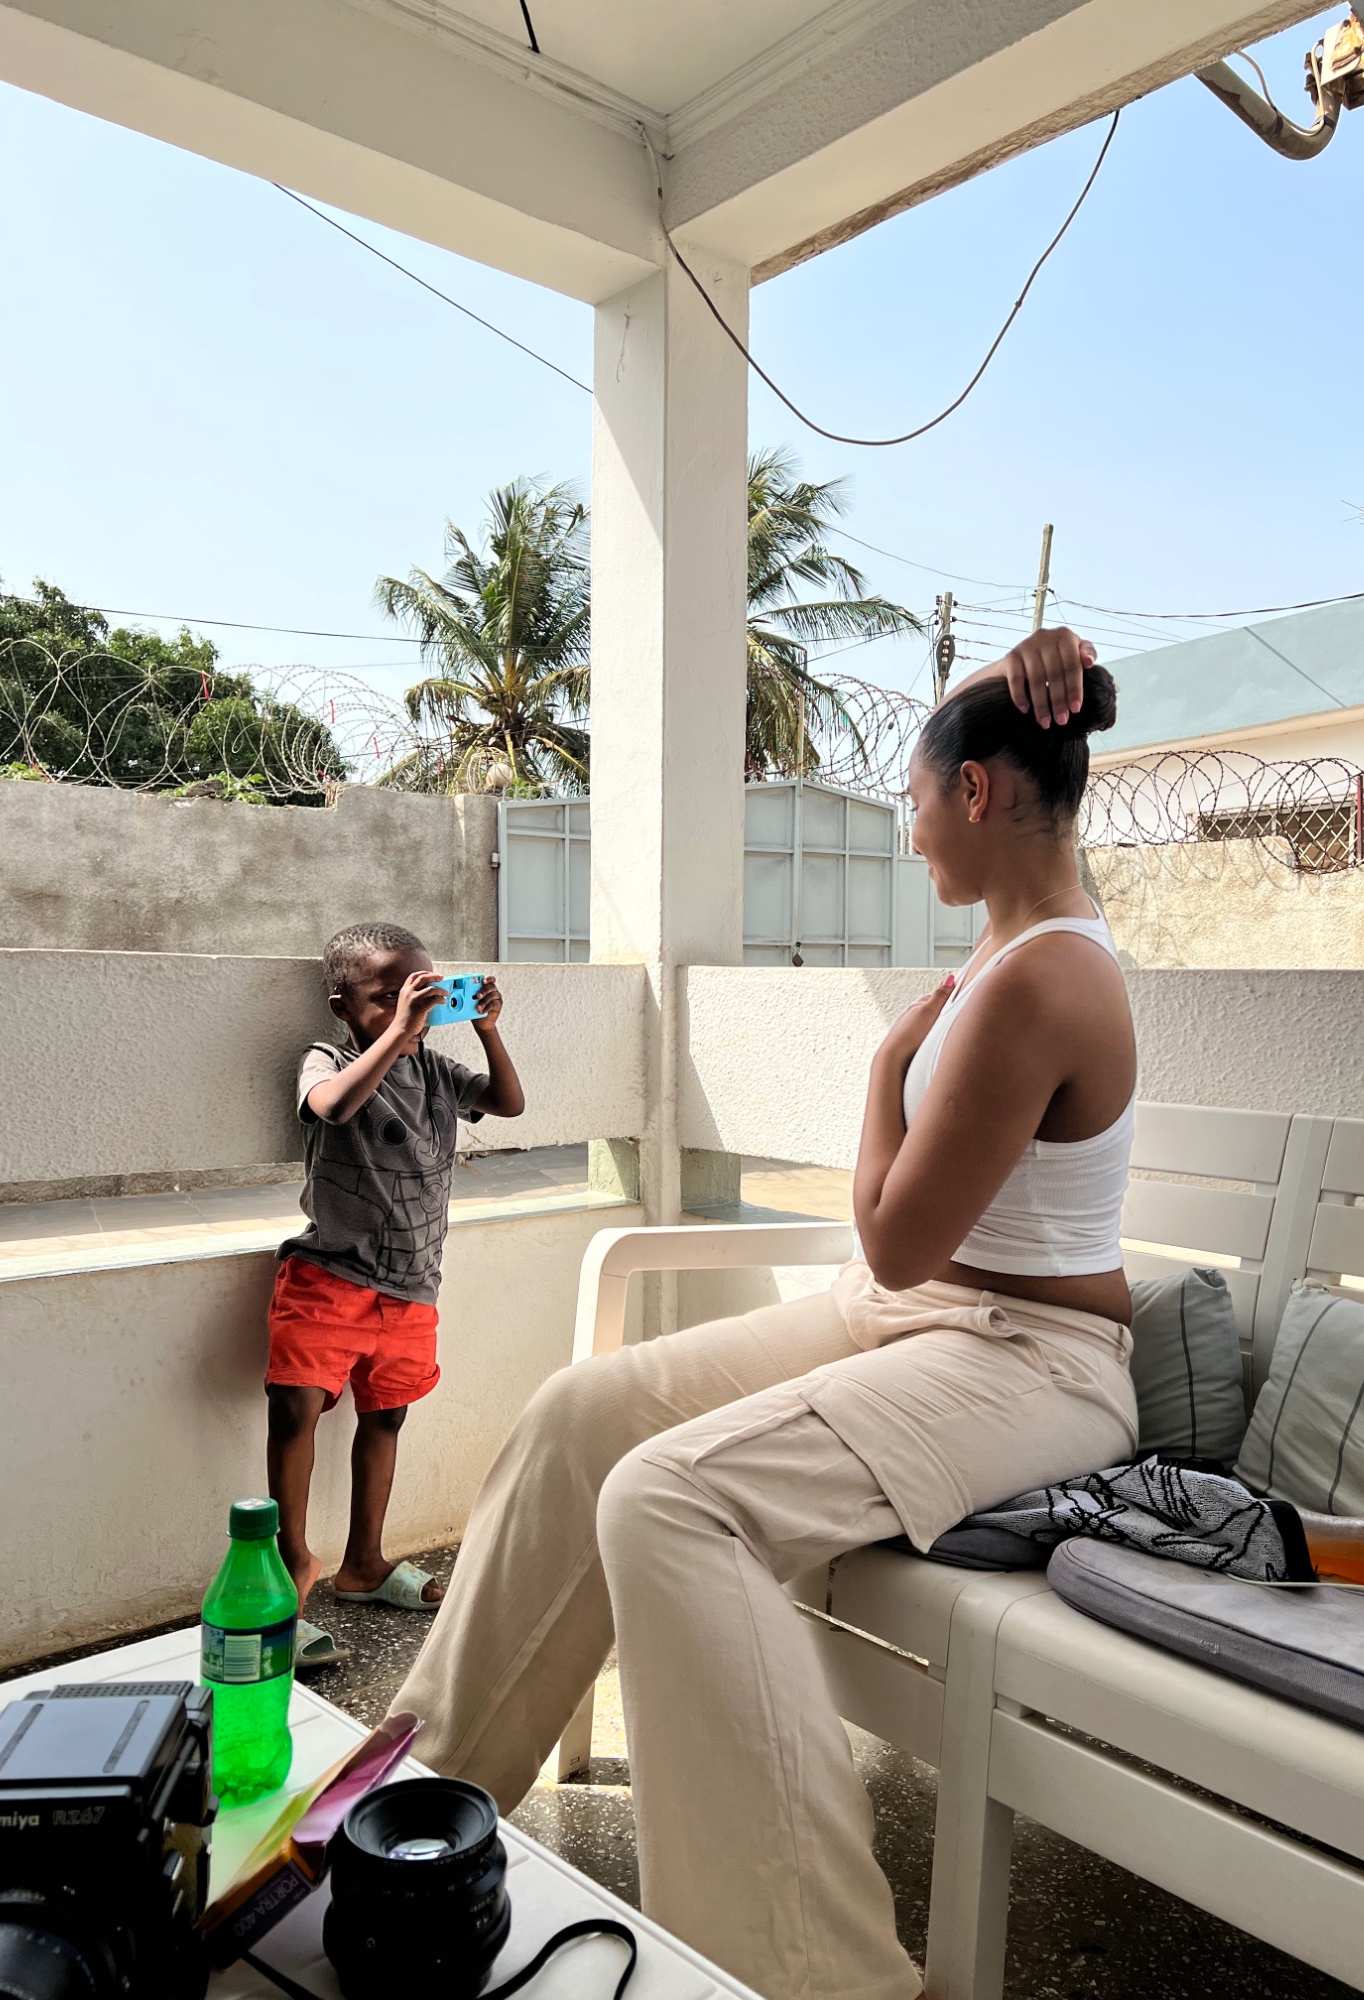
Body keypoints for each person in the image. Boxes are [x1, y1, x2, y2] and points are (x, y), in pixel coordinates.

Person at [390, 632, 1133, 1999]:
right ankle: (418, 1806)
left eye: (914, 801)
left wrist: (880, 1075)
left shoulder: (1045, 977)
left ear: (974, 793)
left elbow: (898, 1240)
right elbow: (901, 1268)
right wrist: (1037, 667)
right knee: (585, 1412)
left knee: (669, 1499)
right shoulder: (1006, 940)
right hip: (908, 1320)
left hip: (1031, 1363)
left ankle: (815, 1976)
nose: (910, 832)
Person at [267, 922, 524, 1666]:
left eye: (423, 994)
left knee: (386, 1419)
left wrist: (486, 1030)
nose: (409, 1009)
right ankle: (288, 1575)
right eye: (387, 997)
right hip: (329, 1279)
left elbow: (507, 1103)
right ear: (342, 1006)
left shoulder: (435, 1070)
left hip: (412, 1286)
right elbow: (333, 1107)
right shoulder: (329, 1058)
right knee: (294, 1414)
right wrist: (395, 1033)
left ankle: (364, 1563)